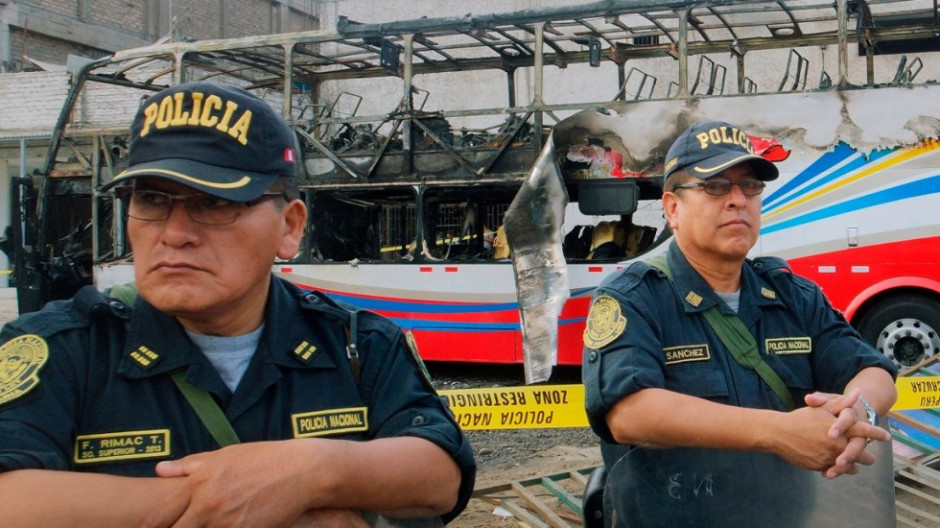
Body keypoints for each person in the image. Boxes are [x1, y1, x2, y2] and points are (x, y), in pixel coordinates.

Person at [0, 82, 475, 527]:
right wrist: (234, 500)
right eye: (151, 199)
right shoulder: (64, 349)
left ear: (289, 228)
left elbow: (439, 474)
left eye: (213, 204)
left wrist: (310, 471)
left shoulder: (354, 343)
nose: (174, 233)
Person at [581, 121, 897, 526]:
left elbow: (871, 369)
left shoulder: (792, 296)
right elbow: (629, 412)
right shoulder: (634, 297)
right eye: (715, 186)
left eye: (749, 186)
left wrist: (859, 412)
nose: (738, 200)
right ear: (673, 209)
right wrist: (779, 432)